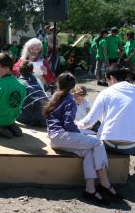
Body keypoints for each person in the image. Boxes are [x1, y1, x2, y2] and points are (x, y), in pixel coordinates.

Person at [44, 72, 121, 205]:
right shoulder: (69, 100)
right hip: (62, 135)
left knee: (89, 152)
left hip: (55, 138)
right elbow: (68, 124)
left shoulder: (55, 96)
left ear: (58, 83)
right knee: (98, 143)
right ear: (73, 86)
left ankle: (90, 189)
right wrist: (79, 133)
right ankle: (105, 182)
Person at [77, 64, 135, 172]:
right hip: (132, 147)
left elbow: (88, 121)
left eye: (107, 80)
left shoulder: (105, 93)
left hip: (107, 144)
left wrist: (76, 123)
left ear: (111, 78)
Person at [17, 60, 48, 127]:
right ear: (32, 71)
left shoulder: (18, 82)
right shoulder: (37, 80)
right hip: (47, 115)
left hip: (32, 119)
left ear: (19, 71)